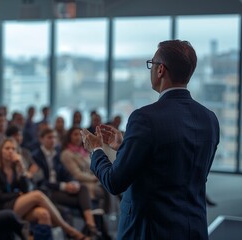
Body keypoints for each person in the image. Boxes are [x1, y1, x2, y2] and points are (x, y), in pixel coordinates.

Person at [81, 40, 220, 239]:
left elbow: (114, 182)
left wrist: (96, 149)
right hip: (193, 229)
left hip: (149, 230)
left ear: (160, 69)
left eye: (152, 64)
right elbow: (174, 163)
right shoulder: (209, 118)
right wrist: (124, 146)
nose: (151, 69)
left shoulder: (145, 118)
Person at [0, 139, 88, 240]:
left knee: (43, 214)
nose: (10, 151)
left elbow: (26, 190)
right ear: (0, 151)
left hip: (18, 204)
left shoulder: (15, 169)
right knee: (37, 195)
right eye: (7, 148)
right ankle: (69, 230)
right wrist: (18, 194)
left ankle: (66, 231)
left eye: (13, 149)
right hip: (2, 207)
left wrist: (22, 170)